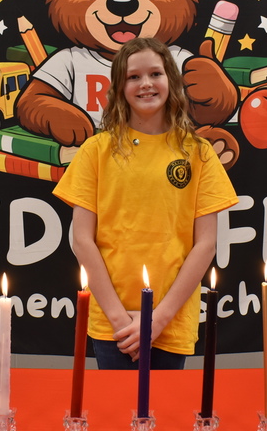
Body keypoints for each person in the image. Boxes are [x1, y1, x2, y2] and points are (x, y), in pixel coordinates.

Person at [53, 37, 239, 370]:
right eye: (134, 77)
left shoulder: (198, 153)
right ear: (119, 87)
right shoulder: (96, 151)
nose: (146, 84)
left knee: (165, 421)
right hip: (114, 325)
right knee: (114, 419)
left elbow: (206, 244)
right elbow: (81, 239)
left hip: (171, 321)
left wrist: (157, 319)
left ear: (172, 80)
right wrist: (118, 317)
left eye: (155, 73)